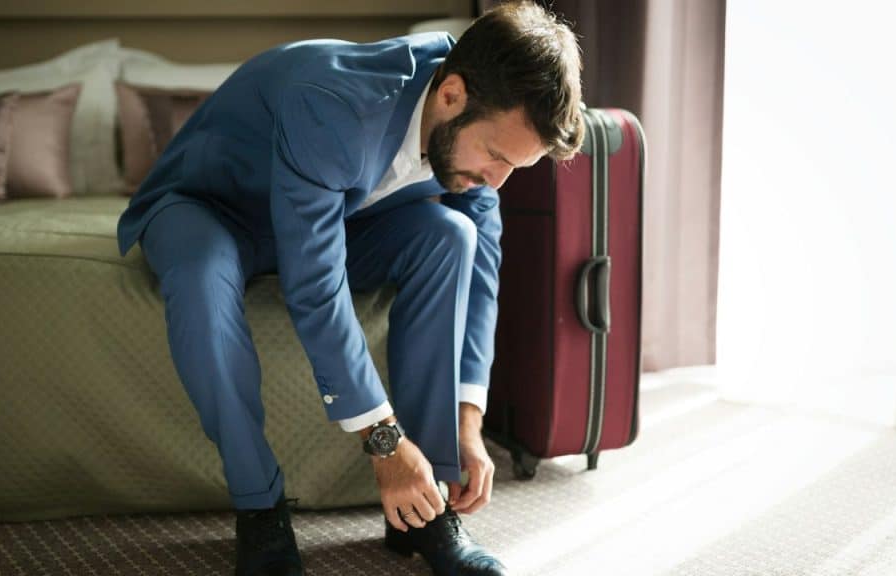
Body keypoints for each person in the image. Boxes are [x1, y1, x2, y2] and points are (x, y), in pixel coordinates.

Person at [116, 2, 583, 574]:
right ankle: (259, 509)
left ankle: (422, 513)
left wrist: (467, 419)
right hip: (211, 207)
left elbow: (481, 271)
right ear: (452, 95)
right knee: (199, 283)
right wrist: (383, 440)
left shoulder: (479, 140)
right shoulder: (335, 104)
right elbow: (315, 281)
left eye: (516, 166)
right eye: (494, 155)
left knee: (452, 235)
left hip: (330, 220)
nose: (497, 180)